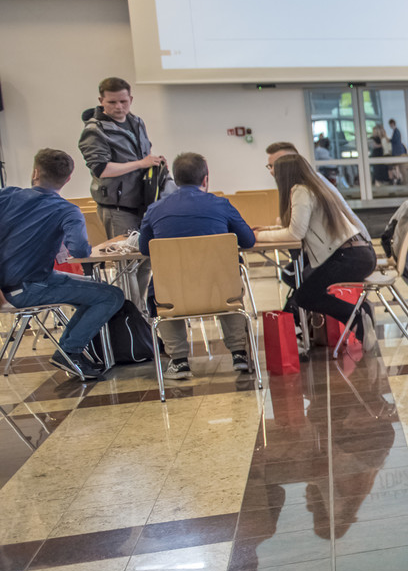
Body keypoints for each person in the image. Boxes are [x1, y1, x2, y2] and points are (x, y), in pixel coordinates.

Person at [0, 149, 125, 381]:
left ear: (35, 172)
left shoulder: (6, 196)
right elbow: (79, 251)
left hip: (19, 284)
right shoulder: (67, 210)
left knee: (93, 288)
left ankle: (70, 350)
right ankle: (70, 351)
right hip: (29, 288)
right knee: (111, 296)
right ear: (68, 179)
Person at [137, 151, 256, 379]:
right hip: (219, 289)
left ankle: (179, 361)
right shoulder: (222, 205)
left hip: (173, 292)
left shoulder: (155, 209)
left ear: (176, 180)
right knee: (228, 285)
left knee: (160, 290)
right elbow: (248, 240)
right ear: (205, 179)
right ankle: (239, 354)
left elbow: (145, 249)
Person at [253, 153, 377, 349]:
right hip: (357, 254)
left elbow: (295, 233)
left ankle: (358, 315)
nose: (272, 174)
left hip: (348, 258)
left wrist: (258, 237)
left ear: (285, 174)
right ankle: (353, 316)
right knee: (294, 278)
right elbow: (297, 227)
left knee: (305, 295)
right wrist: (265, 230)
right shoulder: (313, 187)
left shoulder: (300, 191)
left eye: (273, 169)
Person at [79, 77, 164, 243]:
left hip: (142, 202)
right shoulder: (94, 130)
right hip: (117, 208)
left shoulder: (137, 122)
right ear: (101, 101)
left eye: (123, 101)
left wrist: (154, 162)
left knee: (146, 253)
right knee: (127, 255)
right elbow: (101, 169)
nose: (118, 106)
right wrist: (140, 164)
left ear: (130, 99)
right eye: (112, 102)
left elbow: (144, 154)